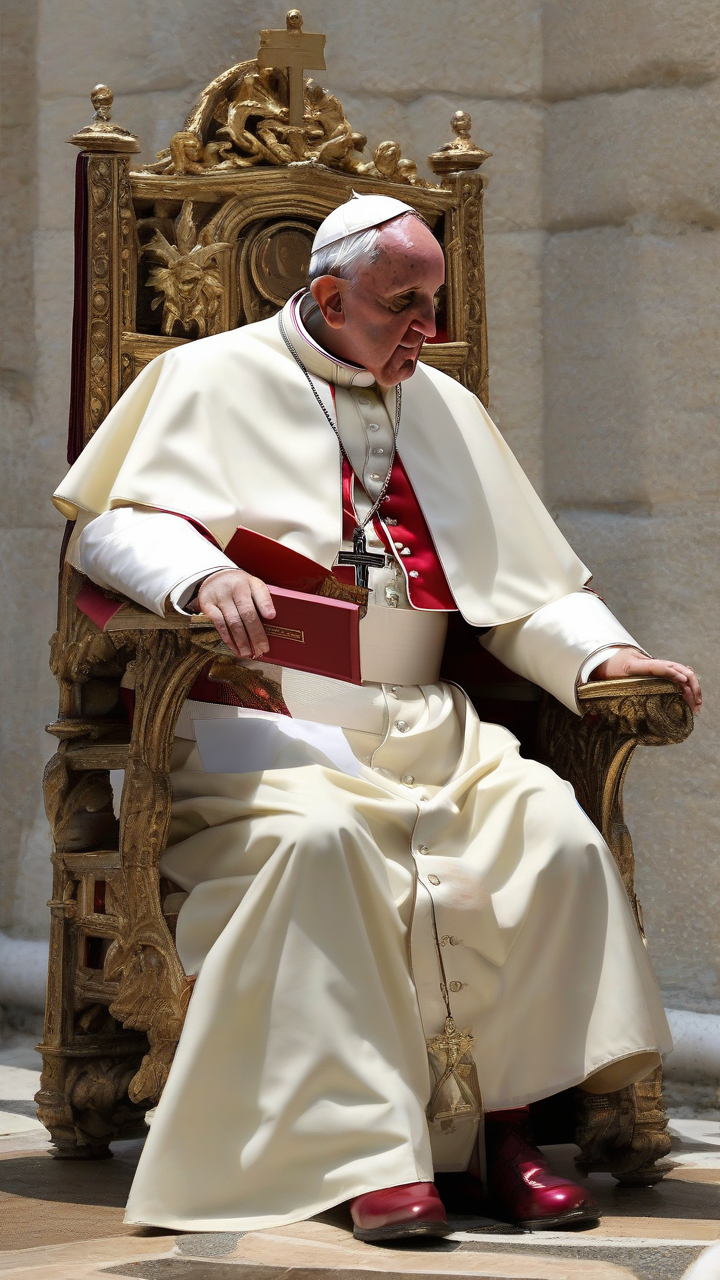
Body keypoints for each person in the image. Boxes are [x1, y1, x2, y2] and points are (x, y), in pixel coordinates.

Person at [53, 193, 701, 1242]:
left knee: (553, 837)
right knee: (326, 845)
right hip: (267, 732)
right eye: (405, 306)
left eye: (435, 305)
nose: (427, 332)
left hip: (431, 729)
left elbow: (526, 591)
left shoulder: (445, 407)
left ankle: (502, 1133)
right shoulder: (203, 378)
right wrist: (201, 574)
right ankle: (366, 1154)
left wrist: (604, 654)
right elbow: (111, 525)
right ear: (328, 297)